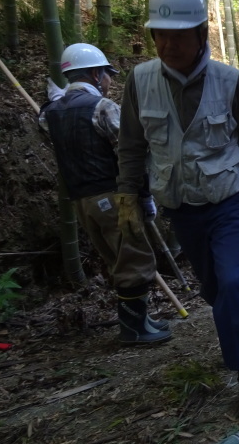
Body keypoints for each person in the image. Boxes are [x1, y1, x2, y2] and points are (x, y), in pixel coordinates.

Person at [116, 0, 239, 425]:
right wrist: (128, 194)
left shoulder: (229, 80)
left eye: (179, 35)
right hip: (181, 208)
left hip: (227, 202)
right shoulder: (140, 81)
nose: (169, 45)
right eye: (160, 35)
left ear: (202, 33)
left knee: (233, 285)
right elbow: (131, 145)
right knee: (214, 290)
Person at [39, 43, 171, 346]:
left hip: (81, 202)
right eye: (108, 75)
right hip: (113, 198)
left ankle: (138, 320)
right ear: (97, 74)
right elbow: (129, 156)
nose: (111, 81)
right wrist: (144, 194)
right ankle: (135, 330)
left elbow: (47, 124)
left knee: (116, 259)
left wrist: (57, 102)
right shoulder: (102, 107)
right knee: (134, 258)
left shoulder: (52, 110)